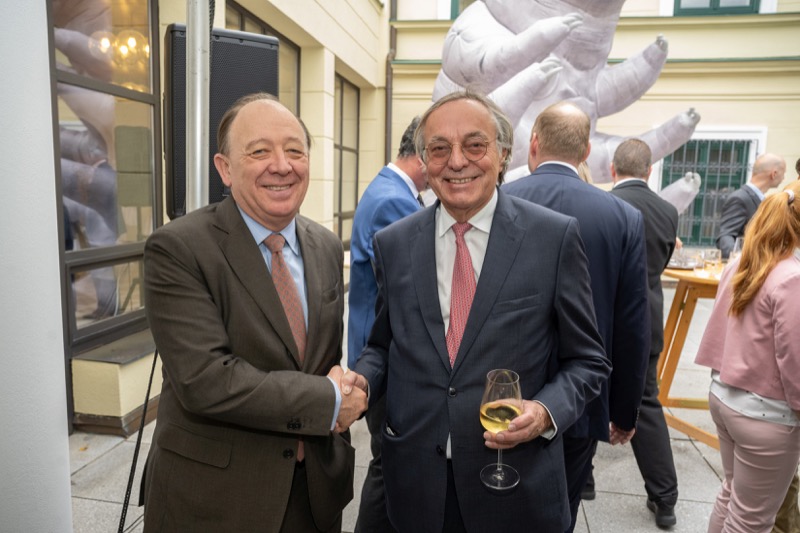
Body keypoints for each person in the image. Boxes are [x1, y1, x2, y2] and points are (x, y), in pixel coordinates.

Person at [342, 90, 611, 532]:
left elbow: (588, 361)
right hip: (415, 481)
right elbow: (383, 345)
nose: (456, 161)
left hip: (513, 484)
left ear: (503, 154)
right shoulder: (394, 243)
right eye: (439, 148)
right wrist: (363, 381)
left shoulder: (552, 238)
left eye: (474, 145)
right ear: (424, 161)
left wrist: (545, 412)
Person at [141, 93, 367, 532]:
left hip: (313, 495)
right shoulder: (178, 248)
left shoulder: (325, 246)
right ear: (225, 168)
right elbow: (206, 380)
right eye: (260, 151)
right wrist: (331, 400)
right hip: (216, 502)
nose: (281, 166)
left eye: (294, 150)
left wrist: (347, 383)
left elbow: (317, 360)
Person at [503, 101, 650, 532]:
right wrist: (625, 410)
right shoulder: (623, 217)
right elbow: (632, 325)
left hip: (504, 388)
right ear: (586, 151)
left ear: (533, 143)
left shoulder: (499, 201)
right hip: (581, 397)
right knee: (560, 510)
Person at [696, 180, 800, 533]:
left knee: (731, 496)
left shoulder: (745, 260)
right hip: (766, 413)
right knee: (751, 520)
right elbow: (794, 359)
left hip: (726, 396)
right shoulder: (791, 276)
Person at [348, 116, 426, 532]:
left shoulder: (392, 190)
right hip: (385, 360)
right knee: (389, 466)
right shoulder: (394, 201)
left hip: (379, 354)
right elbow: (409, 293)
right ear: (422, 154)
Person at [609, 138, 680, 528]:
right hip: (647, 316)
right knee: (646, 402)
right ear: (649, 171)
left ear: (612, 169)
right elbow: (662, 262)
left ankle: (585, 481)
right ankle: (664, 498)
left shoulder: (605, 204)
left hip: (606, 317)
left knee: (587, 394)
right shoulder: (668, 210)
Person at [716, 153, 786, 259]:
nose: (783, 178)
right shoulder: (740, 198)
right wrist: (739, 261)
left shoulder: (760, 199)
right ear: (774, 174)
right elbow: (726, 236)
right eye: (783, 173)